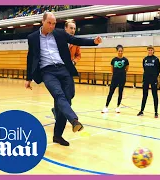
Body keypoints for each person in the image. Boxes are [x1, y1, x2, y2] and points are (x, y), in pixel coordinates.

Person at [25, 12, 102, 146]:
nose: (51, 26)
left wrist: (93, 42)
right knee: (59, 95)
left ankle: (57, 136)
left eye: (54, 23)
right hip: (47, 71)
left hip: (63, 69)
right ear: (42, 21)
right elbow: (30, 57)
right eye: (49, 23)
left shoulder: (59, 33)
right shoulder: (32, 38)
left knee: (67, 99)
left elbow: (75, 40)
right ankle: (74, 121)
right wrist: (28, 78)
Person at [51, 20, 82, 119]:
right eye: (71, 28)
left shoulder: (75, 42)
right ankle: (57, 113)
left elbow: (78, 55)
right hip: (58, 70)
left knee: (70, 94)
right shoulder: (58, 39)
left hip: (69, 71)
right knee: (59, 93)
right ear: (65, 28)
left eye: (74, 29)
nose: (73, 30)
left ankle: (56, 110)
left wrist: (74, 61)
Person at [102, 45, 129, 113]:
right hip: (115, 78)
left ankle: (118, 107)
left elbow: (127, 68)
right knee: (111, 92)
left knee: (120, 92)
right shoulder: (114, 60)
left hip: (122, 78)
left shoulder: (125, 60)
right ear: (117, 51)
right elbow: (112, 69)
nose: (120, 52)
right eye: (119, 51)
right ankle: (106, 106)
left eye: (121, 51)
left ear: (123, 51)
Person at [137, 45, 160, 118]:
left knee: (155, 95)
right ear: (147, 51)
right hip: (146, 79)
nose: (150, 51)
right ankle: (141, 111)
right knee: (144, 95)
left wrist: (154, 77)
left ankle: (156, 112)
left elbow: (158, 70)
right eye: (149, 50)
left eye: (151, 50)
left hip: (153, 79)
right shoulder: (145, 59)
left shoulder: (156, 59)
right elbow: (144, 68)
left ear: (153, 51)